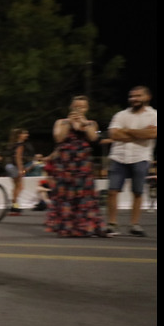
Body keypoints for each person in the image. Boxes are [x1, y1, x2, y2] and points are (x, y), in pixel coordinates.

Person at [45, 95, 109, 237]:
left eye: (82, 107)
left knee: (84, 195)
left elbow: (93, 138)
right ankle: (66, 227)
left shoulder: (91, 123)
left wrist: (84, 124)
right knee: (65, 195)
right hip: (65, 165)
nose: (79, 109)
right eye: (76, 106)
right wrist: (69, 123)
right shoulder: (61, 122)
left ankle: (85, 227)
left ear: (87, 108)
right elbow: (58, 138)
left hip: (83, 165)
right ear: (71, 107)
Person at [105, 86, 157, 236]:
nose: (134, 99)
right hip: (118, 156)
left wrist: (126, 131)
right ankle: (112, 224)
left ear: (147, 97)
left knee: (138, 192)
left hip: (140, 157)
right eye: (132, 96)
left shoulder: (154, 115)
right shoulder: (121, 115)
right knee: (112, 191)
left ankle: (135, 224)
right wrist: (142, 134)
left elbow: (153, 133)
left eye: (138, 96)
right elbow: (114, 134)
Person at [4, 128, 34, 214]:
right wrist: (21, 170)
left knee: (16, 186)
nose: (27, 135)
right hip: (15, 167)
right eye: (25, 134)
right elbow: (18, 157)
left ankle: (14, 204)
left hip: (9, 166)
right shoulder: (20, 145)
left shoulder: (12, 144)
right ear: (19, 135)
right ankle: (13, 205)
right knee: (20, 187)